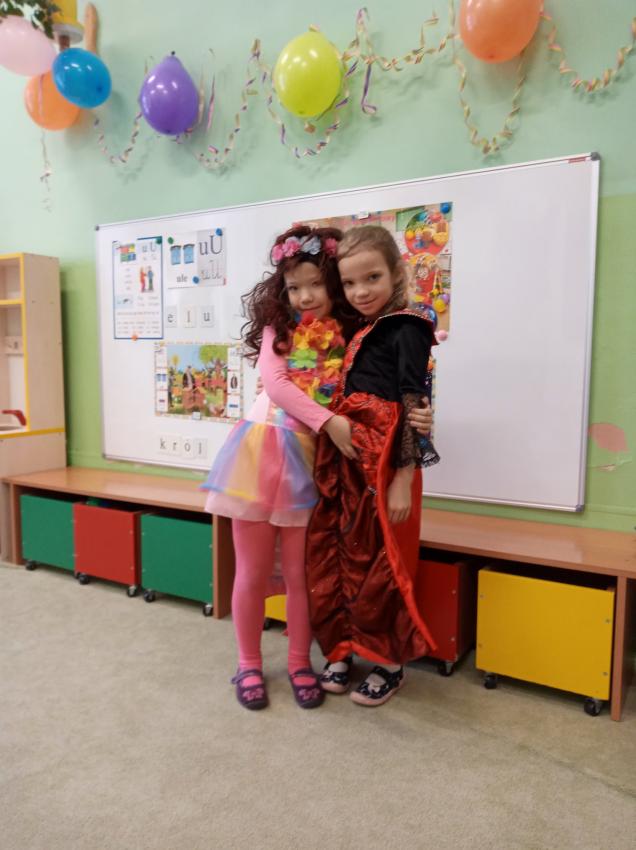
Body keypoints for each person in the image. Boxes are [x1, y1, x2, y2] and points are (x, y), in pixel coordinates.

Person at [202, 225, 356, 711]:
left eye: (316, 284)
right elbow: (277, 384)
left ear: (334, 284)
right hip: (259, 453)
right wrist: (329, 421)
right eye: (294, 288)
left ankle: (298, 662)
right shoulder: (280, 331)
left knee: (299, 575)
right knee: (250, 572)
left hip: (308, 463)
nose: (305, 297)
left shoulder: (349, 336)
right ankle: (248, 663)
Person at [305, 224, 440, 707]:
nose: (360, 291)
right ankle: (343, 647)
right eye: (350, 283)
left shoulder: (407, 326)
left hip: (387, 460)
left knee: (383, 557)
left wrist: (403, 478)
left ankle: (389, 662)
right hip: (348, 457)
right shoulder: (357, 327)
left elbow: (413, 400)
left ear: (396, 272)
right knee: (342, 550)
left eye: (373, 278)